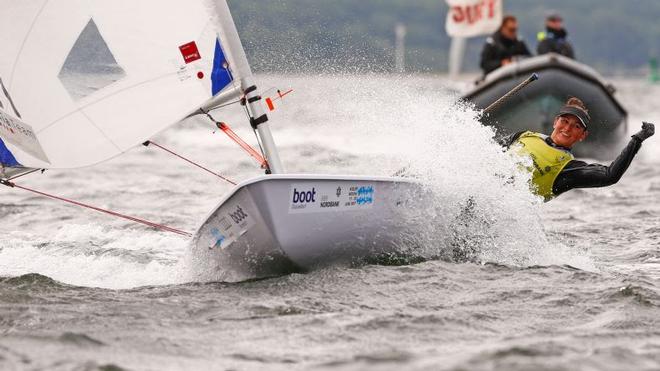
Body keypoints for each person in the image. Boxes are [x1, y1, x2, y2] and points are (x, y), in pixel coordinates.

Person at [499, 97, 655, 202]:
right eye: (564, 121)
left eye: (576, 126)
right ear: (555, 122)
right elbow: (487, 150)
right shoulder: (525, 135)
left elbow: (610, 175)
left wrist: (637, 139)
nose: (567, 128)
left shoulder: (568, 170)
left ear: (582, 135)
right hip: (483, 191)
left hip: (501, 209)